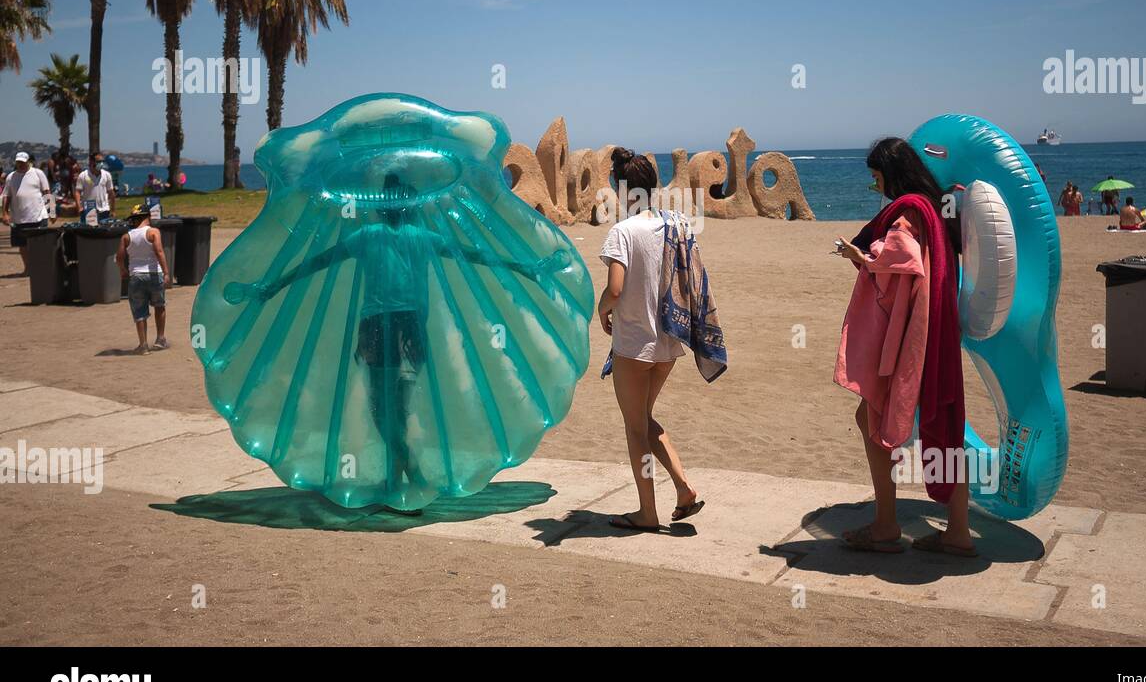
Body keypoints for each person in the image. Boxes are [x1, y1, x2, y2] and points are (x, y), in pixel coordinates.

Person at [231, 173, 564, 513]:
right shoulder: (418, 236)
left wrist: (274, 284)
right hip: (409, 327)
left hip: (380, 326)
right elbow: (477, 255)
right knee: (397, 407)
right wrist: (523, 267)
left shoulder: (368, 235)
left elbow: (317, 262)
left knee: (382, 407)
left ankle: (409, 475)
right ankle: (398, 479)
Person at [833, 137, 975, 557]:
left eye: (877, 178)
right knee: (945, 420)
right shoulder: (933, 207)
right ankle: (958, 531)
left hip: (916, 330)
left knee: (872, 416)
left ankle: (886, 525)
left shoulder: (909, 208)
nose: (877, 187)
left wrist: (861, 256)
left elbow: (902, 253)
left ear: (891, 173)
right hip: (939, 324)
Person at [598, 147, 711, 532]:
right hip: (668, 341)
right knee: (644, 419)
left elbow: (615, 289)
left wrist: (601, 309)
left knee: (634, 428)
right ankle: (683, 488)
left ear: (621, 189)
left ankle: (647, 513)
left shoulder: (623, 232)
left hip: (634, 344)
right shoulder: (678, 223)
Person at [116, 204, 169, 354]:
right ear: (148, 217)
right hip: (154, 273)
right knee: (159, 306)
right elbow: (159, 251)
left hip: (136, 276)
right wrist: (166, 272)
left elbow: (119, 257)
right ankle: (160, 339)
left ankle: (143, 344)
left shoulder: (126, 236)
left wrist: (122, 270)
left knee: (139, 311)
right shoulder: (153, 232)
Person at [2, 151, 54, 276]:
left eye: (22, 162)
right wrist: (5, 213)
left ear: (28, 162)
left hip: (38, 215)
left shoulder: (38, 173)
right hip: (19, 218)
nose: (20, 164)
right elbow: (6, 196)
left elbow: (47, 192)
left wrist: (51, 211)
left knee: (39, 245)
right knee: (22, 246)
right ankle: (28, 269)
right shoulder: (11, 177)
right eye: (18, 162)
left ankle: (41, 268)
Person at [75, 152, 116, 221]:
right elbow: (77, 192)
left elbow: (111, 192)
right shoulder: (83, 175)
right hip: (89, 209)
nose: (101, 163)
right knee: (89, 231)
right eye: (98, 161)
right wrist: (79, 207)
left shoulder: (106, 175)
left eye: (102, 161)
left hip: (104, 210)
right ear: (91, 162)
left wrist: (113, 209)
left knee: (103, 230)